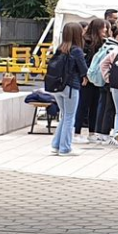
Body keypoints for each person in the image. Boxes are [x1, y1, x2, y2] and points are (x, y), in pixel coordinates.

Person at [47, 21, 88, 155]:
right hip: (71, 87)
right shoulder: (77, 50)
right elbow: (83, 69)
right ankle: (65, 148)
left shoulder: (60, 49)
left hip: (58, 86)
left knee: (64, 116)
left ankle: (56, 145)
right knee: (70, 117)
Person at [77, 17, 106, 145]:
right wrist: (85, 75)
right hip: (86, 78)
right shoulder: (85, 42)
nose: (105, 30)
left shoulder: (102, 42)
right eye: (103, 28)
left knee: (95, 105)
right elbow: (82, 62)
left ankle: (92, 132)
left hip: (97, 78)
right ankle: (76, 132)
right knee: (83, 105)